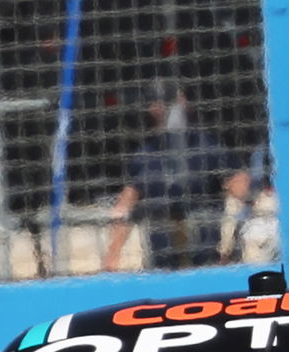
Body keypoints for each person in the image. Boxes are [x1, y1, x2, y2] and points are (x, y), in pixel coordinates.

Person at [101, 81, 252, 272]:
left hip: (205, 263)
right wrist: (112, 254)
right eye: (157, 102)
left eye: (170, 101)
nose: (163, 108)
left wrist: (233, 245)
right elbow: (124, 207)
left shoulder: (207, 148)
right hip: (163, 267)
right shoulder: (145, 156)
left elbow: (244, 192)